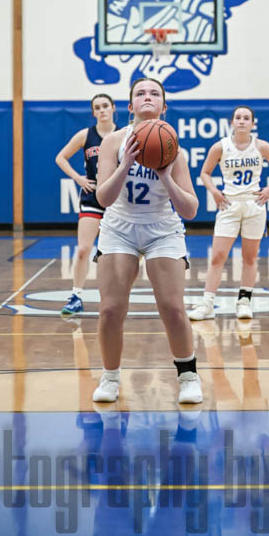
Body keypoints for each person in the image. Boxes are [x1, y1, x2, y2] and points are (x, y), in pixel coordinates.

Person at [92, 77, 202, 405]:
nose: (147, 97)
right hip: (119, 228)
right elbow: (103, 198)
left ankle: (188, 376)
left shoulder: (172, 147)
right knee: (110, 310)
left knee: (173, 308)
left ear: (164, 107)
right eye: (140, 93)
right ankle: (110, 377)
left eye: (155, 93)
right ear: (131, 106)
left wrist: (166, 176)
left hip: (161, 229)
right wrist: (126, 163)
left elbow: (190, 209)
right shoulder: (113, 142)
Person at [188, 105, 269, 321]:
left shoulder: (261, 146)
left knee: (249, 257)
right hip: (229, 205)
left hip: (254, 205)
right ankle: (207, 304)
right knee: (218, 256)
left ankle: (244, 302)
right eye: (238, 117)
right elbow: (205, 172)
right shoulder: (220, 147)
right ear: (232, 122)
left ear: (253, 123)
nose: (242, 121)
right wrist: (214, 191)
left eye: (246, 118)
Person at [54, 93, 117, 315]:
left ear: (113, 108)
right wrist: (78, 178)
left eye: (105, 106)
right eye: (97, 107)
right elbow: (60, 157)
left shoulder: (122, 135)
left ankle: (113, 297)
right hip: (92, 197)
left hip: (116, 200)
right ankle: (76, 296)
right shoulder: (85, 135)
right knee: (83, 249)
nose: (102, 110)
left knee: (112, 254)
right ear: (93, 112)